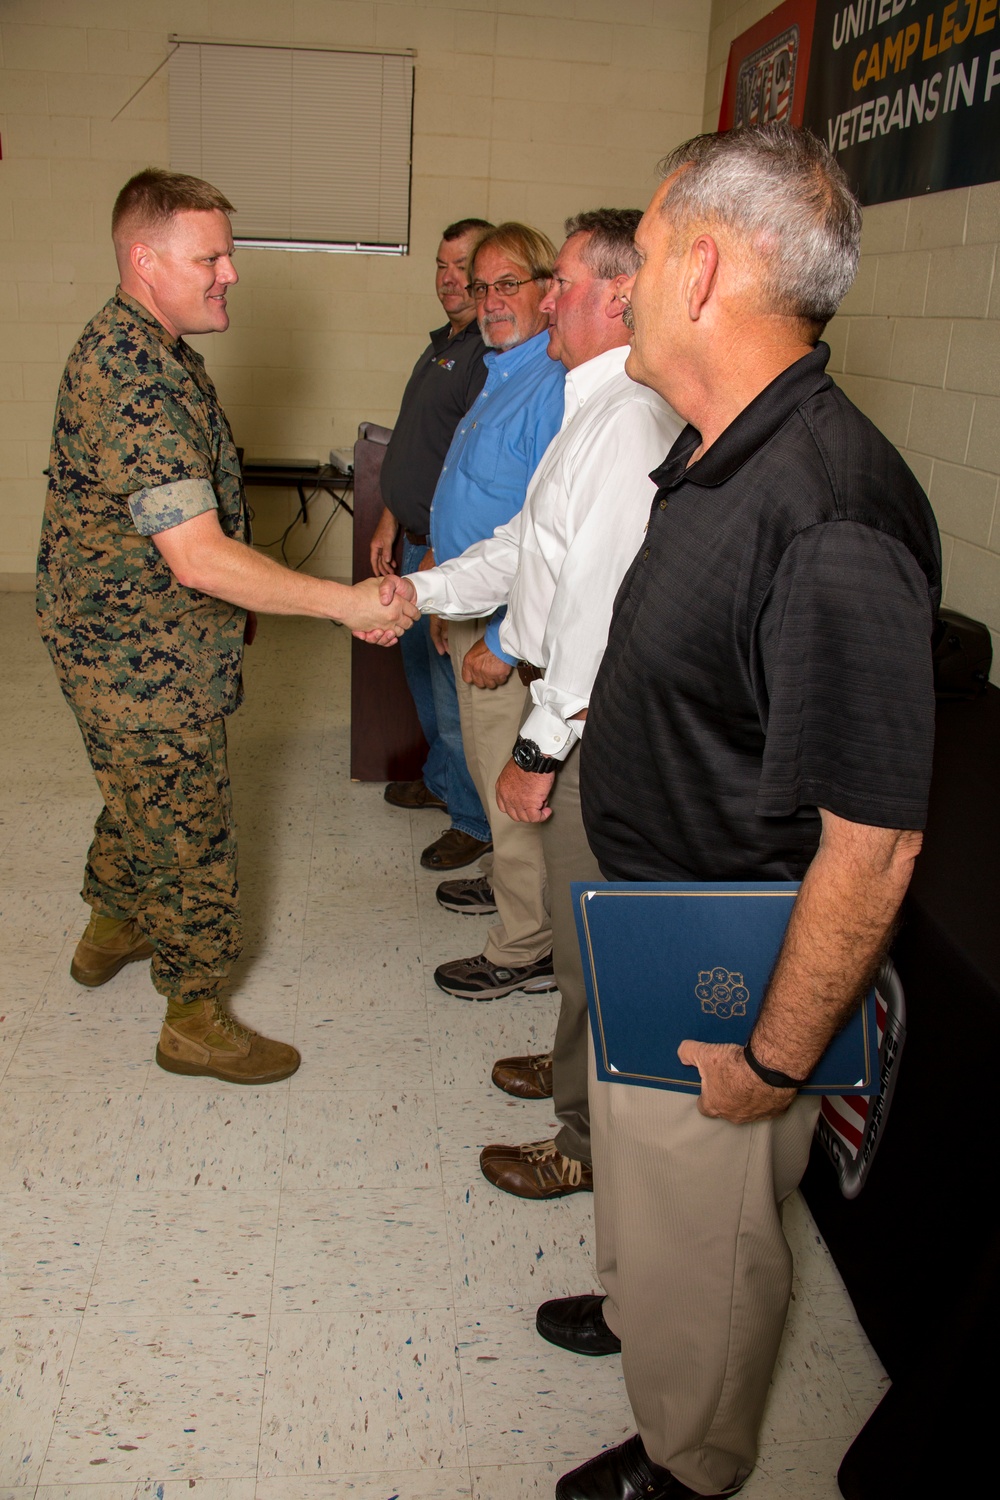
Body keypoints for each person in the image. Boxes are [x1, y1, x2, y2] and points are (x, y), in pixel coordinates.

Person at [540, 126, 941, 1500]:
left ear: (702, 267)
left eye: (641, 256)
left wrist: (773, 1058)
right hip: (647, 916)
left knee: (706, 1229)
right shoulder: (726, 447)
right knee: (653, 1212)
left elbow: (873, 843)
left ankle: (690, 1454)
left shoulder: (830, 511)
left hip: (721, 960)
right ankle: (646, 1309)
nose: (626, 283)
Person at [36, 167, 416, 1088]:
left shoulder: (153, 349)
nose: (230, 274)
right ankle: (195, 1016)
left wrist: (236, 607)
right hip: (137, 652)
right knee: (192, 824)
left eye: (228, 256)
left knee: (141, 791)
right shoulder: (133, 373)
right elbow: (197, 557)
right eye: (211, 256)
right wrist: (342, 603)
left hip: (129, 635)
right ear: (145, 258)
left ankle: (111, 923)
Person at [376, 210, 683, 1195]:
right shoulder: (591, 403)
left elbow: (590, 606)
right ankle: (567, 1083)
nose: (543, 298)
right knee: (571, 918)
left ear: (619, 297)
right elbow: (526, 548)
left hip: (587, 719)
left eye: (562, 283)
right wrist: (419, 591)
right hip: (560, 696)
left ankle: (585, 1145)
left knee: (593, 938)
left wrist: (539, 748)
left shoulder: (628, 420)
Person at [395, 222, 567, 1002]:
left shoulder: (555, 386)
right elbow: (473, 498)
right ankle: (510, 892)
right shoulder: (502, 371)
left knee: (513, 783)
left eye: (509, 285)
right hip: (469, 603)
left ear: (547, 291)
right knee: (482, 769)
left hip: (510, 627)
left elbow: (551, 542)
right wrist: (441, 582)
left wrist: (498, 637)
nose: (491, 300)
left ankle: (524, 945)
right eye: (484, 286)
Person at [369, 218, 496, 873]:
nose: (450, 278)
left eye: (463, 266)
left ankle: (473, 822)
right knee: (422, 677)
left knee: (455, 701)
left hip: (444, 554)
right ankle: (444, 781)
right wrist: (391, 520)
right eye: (441, 266)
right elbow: (417, 445)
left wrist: (438, 550)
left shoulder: (486, 354)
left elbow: (466, 466)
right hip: (415, 541)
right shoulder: (440, 346)